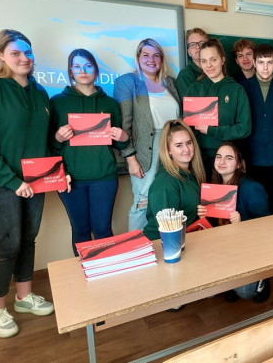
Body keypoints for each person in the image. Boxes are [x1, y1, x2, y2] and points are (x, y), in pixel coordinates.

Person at [0, 29, 57, 338]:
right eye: (16, 53)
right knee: (4, 244)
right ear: (0, 55)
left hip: (36, 182)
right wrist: (12, 180)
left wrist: (57, 172)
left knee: (28, 239)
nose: (24, 58)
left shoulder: (40, 92)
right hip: (4, 183)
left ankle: (24, 297)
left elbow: (45, 142)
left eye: (28, 52)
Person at [51, 49, 129, 255]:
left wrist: (123, 138)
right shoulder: (57, 102)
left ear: (95, 70)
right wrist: (58, 138)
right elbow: (49, 146)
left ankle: (108, 272)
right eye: (77, 67)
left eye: (87, 66)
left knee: (103, 230)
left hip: (104, 177)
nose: (82, 71)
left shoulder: (110, 103)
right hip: (71, 179)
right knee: (80, 230)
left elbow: (118, 144)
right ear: (70, 71)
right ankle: (83, 272)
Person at [114, 38, 181, 231]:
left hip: (173, 145)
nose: (151, 60)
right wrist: (131, 159)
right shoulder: (128, 82)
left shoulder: (170, 83)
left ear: (161, 59)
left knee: (168, 196)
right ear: (138, 58)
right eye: (146, 55)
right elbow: (124, 124)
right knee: (142, 201)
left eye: (156, 55)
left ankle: (165, 240)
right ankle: (138, 245)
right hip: (145, 150)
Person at [197, 142, 270, 303]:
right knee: (207, 290)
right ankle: (229, 282)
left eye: (229, 158)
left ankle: (262, 279)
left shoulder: (251, 187)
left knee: (245, 291)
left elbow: (266, 225)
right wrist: (203, 215)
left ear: (239, 164)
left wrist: (242, 221)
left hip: (247, 248)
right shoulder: (212, 187)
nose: (222, 161)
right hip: (223, 248)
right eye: (218, 157)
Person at [185, 38, 251, 177]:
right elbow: (186, 128)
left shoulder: (237, 90)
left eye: (213, 60)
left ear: (222, 60)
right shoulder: (194, 89)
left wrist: (212, 130)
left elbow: (244, 129)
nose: (208, 65)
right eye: (204, 61)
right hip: (198, 158)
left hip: (227, 161)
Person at [241, 44, 273, 213]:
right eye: (261, 62)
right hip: (252, 156)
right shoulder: (243, 88)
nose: (265, 67)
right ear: (254, 63)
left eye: (269, 62)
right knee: (254, 203)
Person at [143, 119, 206, 241]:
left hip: (187, 239)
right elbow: (168, 230)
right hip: (161, 244)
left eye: (189, 143)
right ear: (168, 150)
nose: (186, 149)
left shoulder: (191, 174)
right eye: (179, 145)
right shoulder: (165, 183)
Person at [176, 27, 209, 95]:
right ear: (189, 52)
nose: (198, 47)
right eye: (193, 45)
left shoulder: (218, 69)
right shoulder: (185, 75)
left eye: (201, 43)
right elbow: (188, 101)